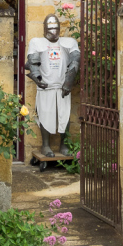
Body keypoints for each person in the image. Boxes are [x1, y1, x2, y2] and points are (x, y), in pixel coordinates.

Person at [25, 14, 80, 156]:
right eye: (51, 28)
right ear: (45, 28)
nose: (53, 31)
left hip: (62, 86)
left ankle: (64, 144)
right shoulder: (37, 42)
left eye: (56, 28)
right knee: (45, 114)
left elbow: (75, 61)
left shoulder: (69, 42)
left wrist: (68, 83)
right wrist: (38, 79)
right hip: (45, 86)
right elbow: (33, 62)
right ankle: (45, 145)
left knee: (65, 114)